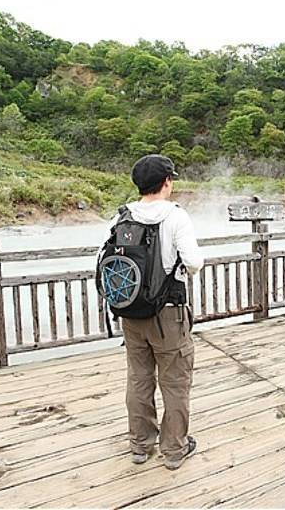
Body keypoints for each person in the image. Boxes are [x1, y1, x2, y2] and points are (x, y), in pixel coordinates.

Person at [100, 154, 204, 470]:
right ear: (167, 182)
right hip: (167, 315)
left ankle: (140, 445)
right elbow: (194, 262)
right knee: (174, 380)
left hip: (130, 313)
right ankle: (174, 450)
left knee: (139, 377)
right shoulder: (175, 217)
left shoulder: (121, 217)